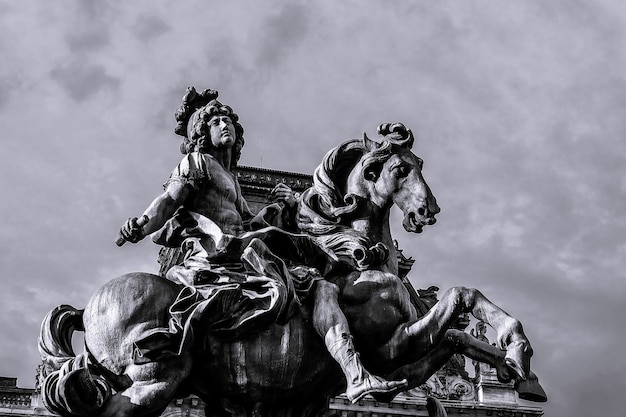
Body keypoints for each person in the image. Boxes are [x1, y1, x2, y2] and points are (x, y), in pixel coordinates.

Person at [118, 87, 406, 402]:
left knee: (320, 284)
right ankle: (351, 370)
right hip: (218, 254)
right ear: (203, 132)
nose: (224, 125)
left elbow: (251, 226)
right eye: (216, 122)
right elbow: (168, 201)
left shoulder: (233, 183)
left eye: (228, 120)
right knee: (311, 283)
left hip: (242, 249)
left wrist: (279, 207)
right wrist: (142, 224)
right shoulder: (195, 162)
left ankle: (353, 371)